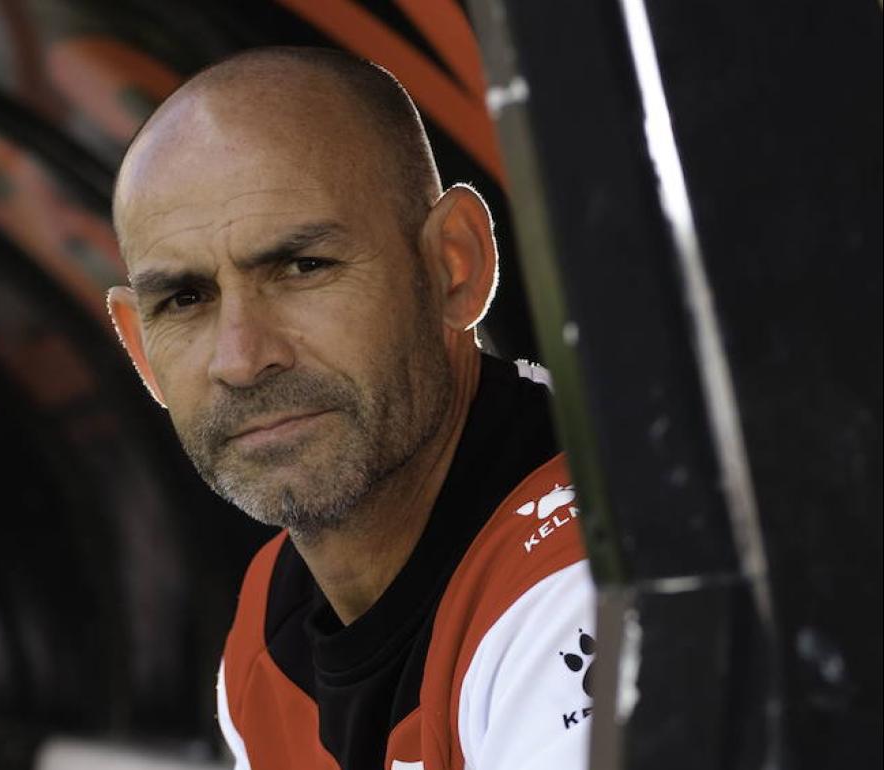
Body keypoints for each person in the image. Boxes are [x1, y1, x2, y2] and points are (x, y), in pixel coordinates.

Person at [106, 46, 594, 770]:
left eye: (304, 267)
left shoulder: (587, 583)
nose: (243, 358)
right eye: (186, 300)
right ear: (142, 354)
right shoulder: (271, 625)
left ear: (455, 266)